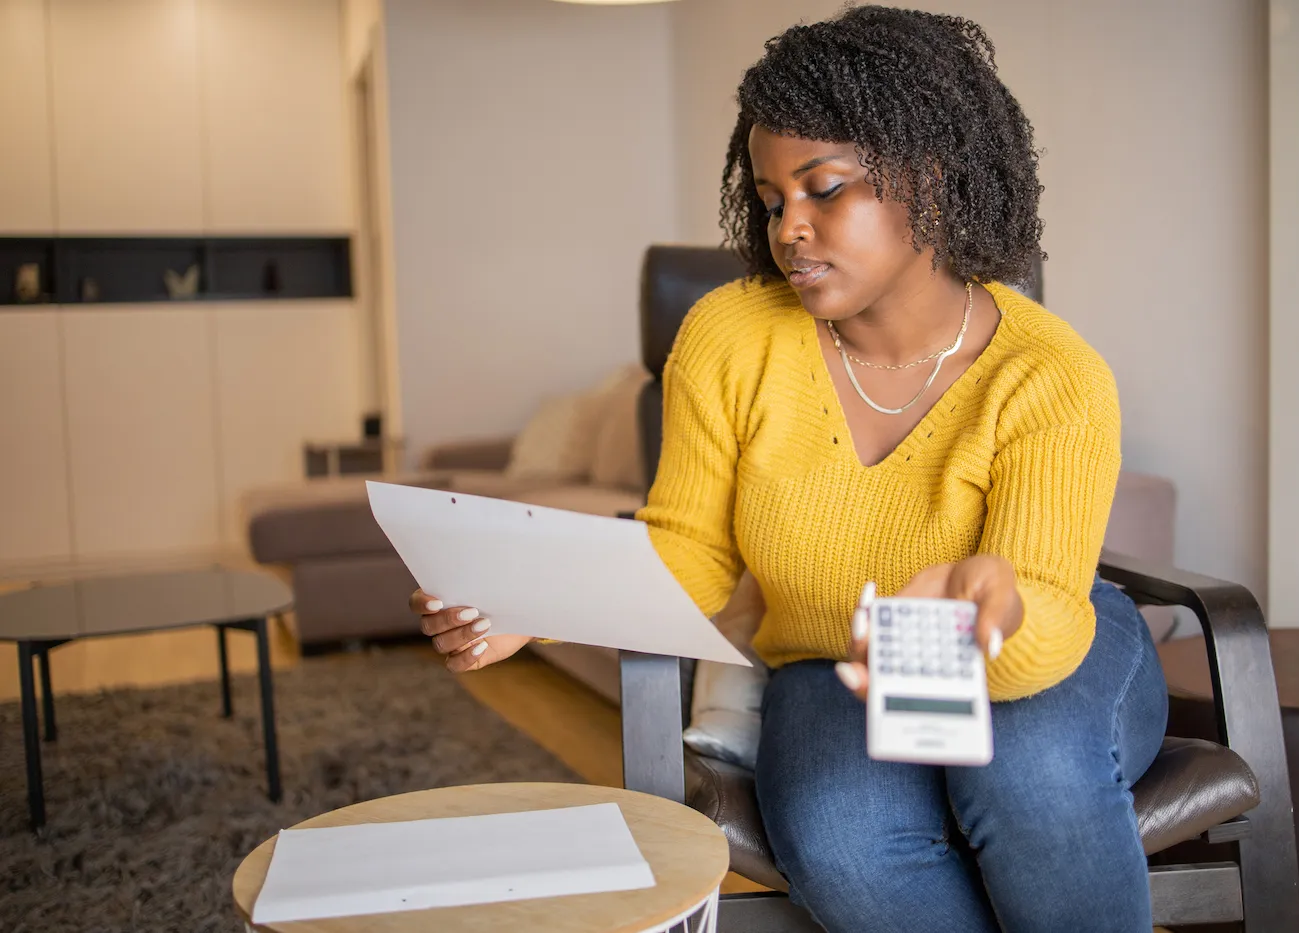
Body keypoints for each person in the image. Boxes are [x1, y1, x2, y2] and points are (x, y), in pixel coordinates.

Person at [412, 7, 1167, 931]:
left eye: (825, 189)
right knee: (840, 829)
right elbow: (687, 547)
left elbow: (1048, 604)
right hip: (828, 659)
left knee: (1028, 765)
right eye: (772, 199)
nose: (790, 230)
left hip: (1052, 656)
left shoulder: (1052, 374)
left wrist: (993, 611)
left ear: (927, 178)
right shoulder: (730, 337)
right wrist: (531, 601)